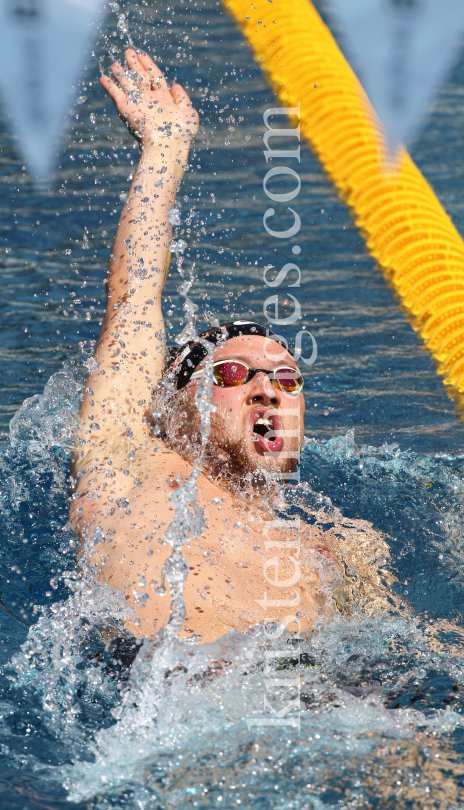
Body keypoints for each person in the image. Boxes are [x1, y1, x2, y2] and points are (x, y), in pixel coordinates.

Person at [70, 49, 388, 642]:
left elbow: (401, 652)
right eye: (235, 373)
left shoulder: (340, 549)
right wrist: (165, 150)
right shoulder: (127, 465)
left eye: (288, 381)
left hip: (322, 698)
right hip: (170, 694)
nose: (268, 390)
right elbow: (133, 303)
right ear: (173, 404)